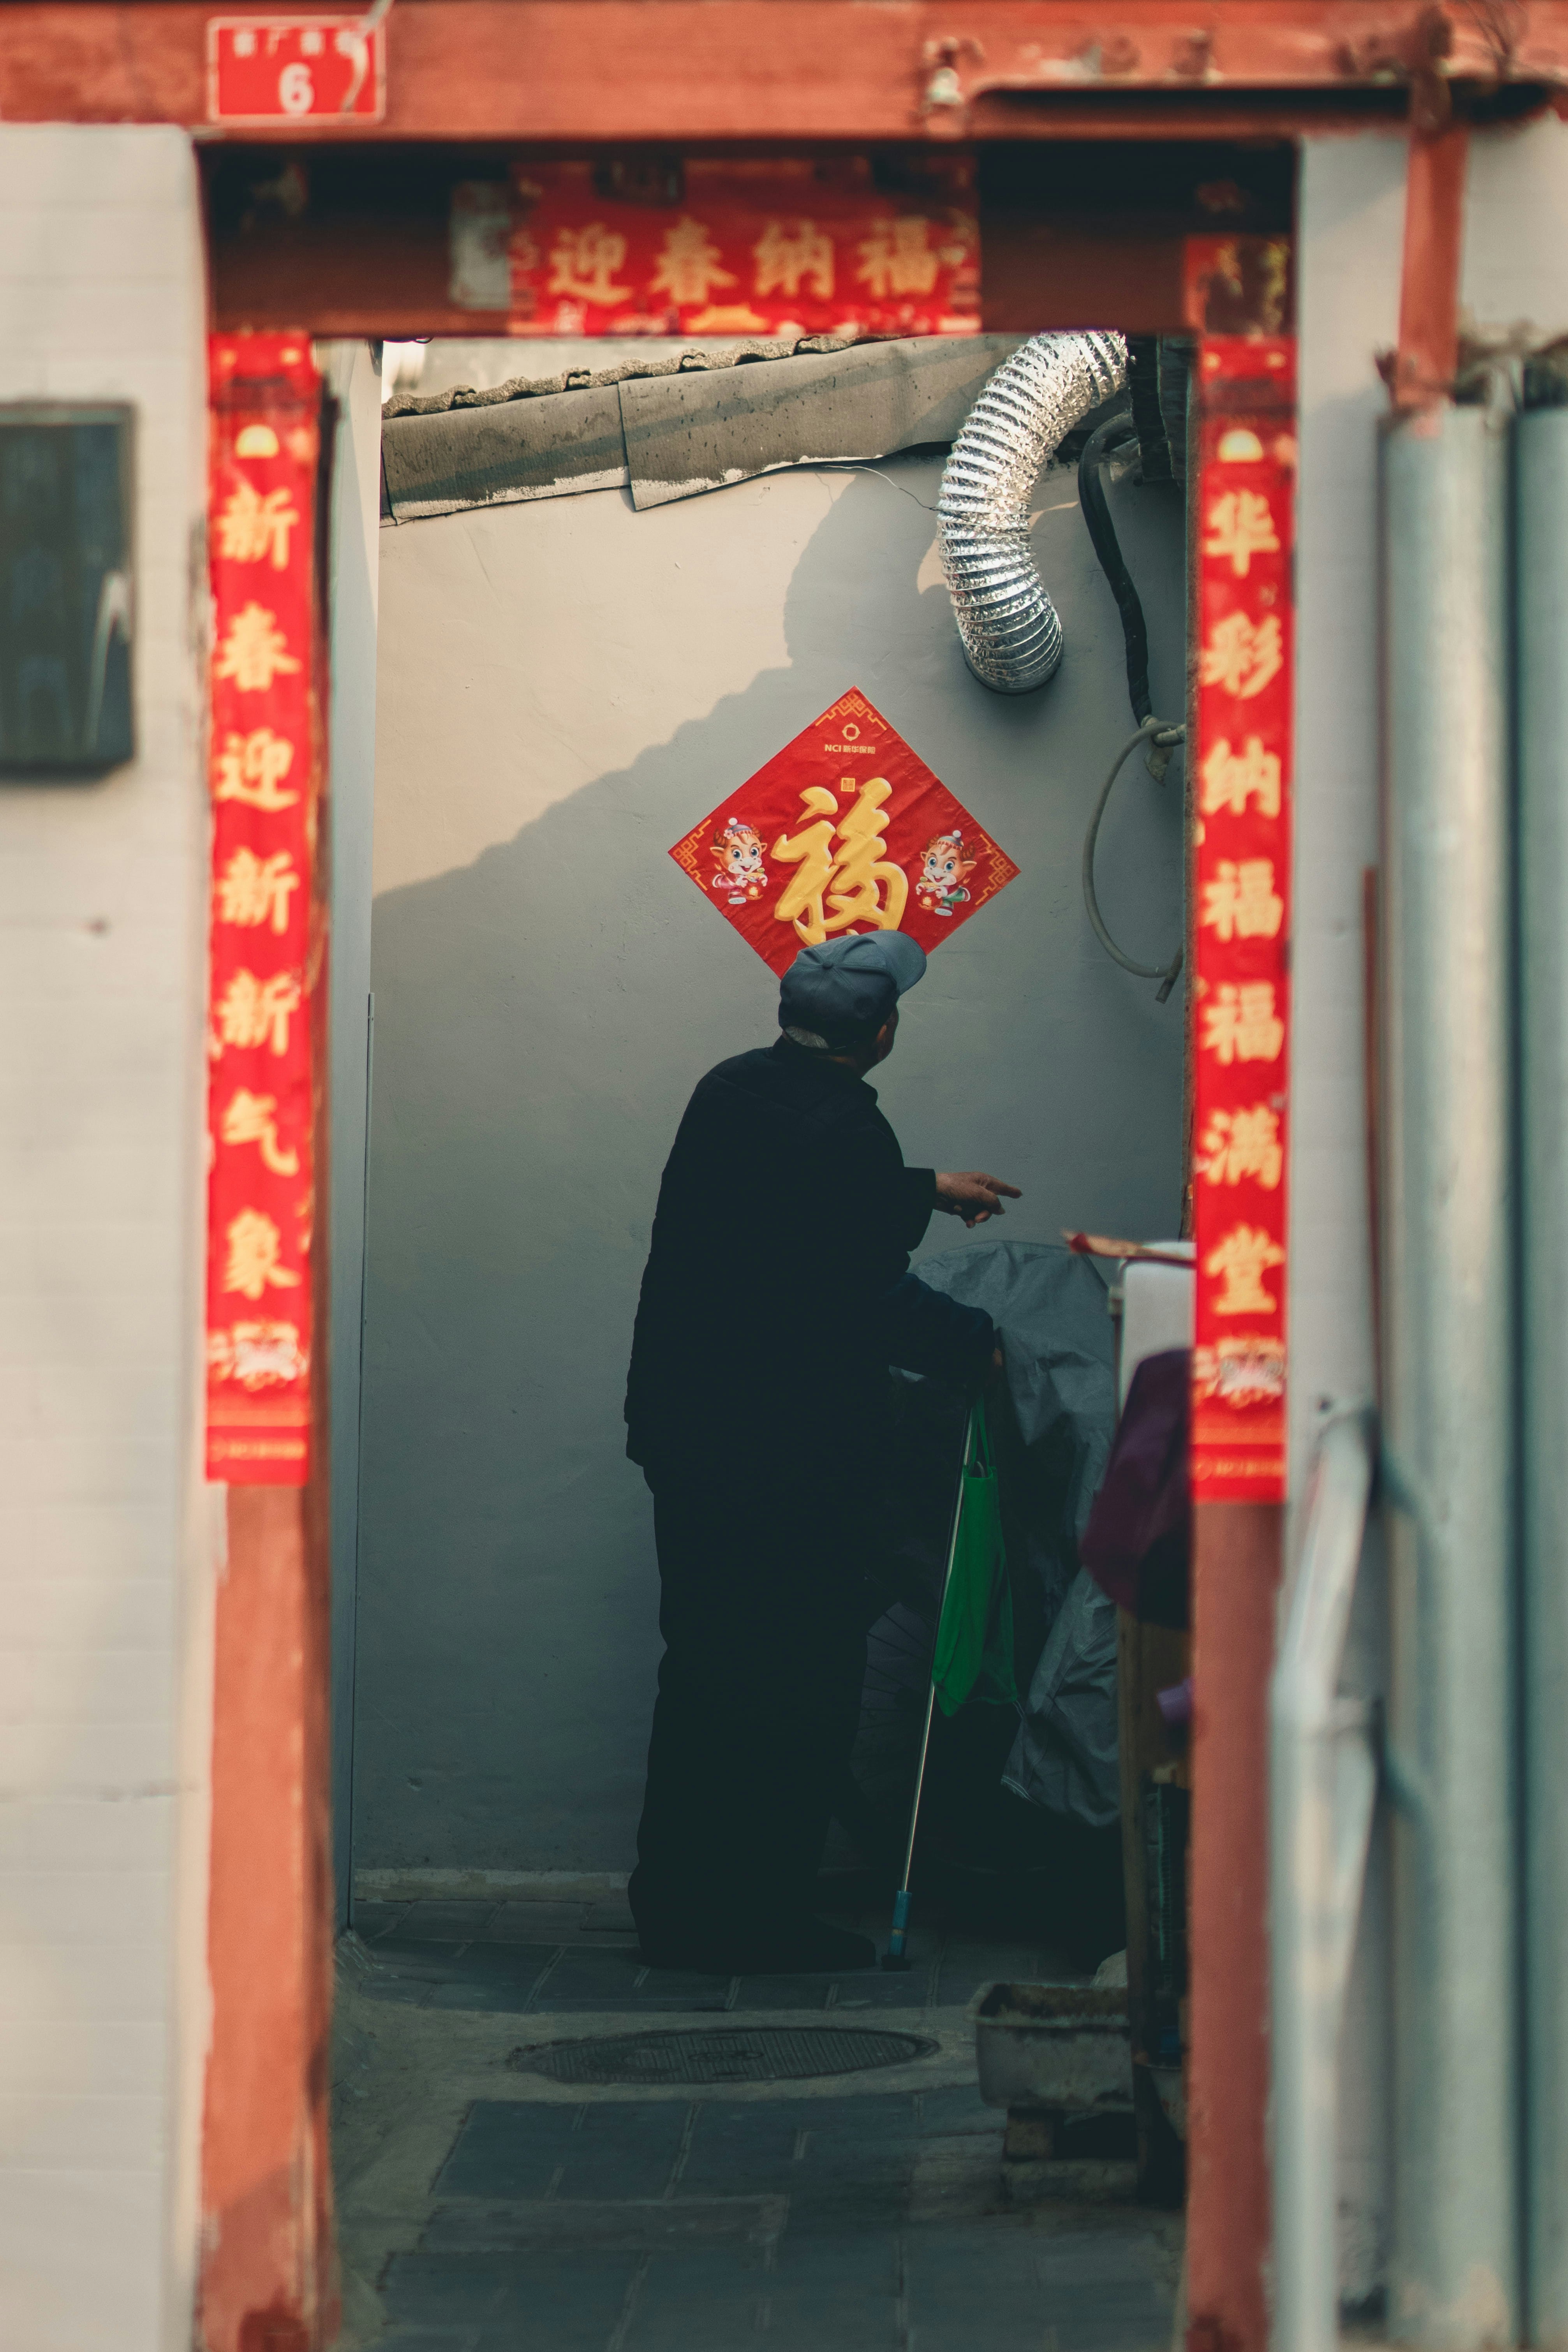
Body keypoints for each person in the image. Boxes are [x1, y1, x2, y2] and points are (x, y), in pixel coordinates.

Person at [624, 932, 1022, 1974]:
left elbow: (787, 1210)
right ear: (880, 1032)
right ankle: (760, 1919)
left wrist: (923, 1183)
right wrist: (974, 1345)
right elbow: (862, 1292)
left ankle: (675, 1908)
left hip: (689, 1438)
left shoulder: (731, 1090)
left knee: (705, 1666)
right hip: (787, 1461)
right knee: (799, 1678)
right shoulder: (846, 1131)